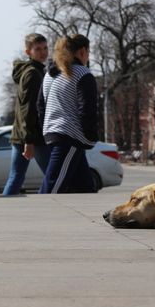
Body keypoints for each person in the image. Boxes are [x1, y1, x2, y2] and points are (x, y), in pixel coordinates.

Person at [37, 34, 99, 194]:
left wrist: (48, 128)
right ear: (83, 51)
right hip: (69, 138)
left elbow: (40, 106)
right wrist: (91, 136)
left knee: (85, 187)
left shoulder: (50, 75)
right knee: (52, 189)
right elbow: (87, 110)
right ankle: (37, 218)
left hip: (53, 133)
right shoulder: (82, 74)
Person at [2, 33, 50, 196]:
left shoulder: (33, 71)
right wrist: (29, 141)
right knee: (53, 175)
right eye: (38, 49)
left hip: (22, 135)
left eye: (45, 48)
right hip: (33, 136)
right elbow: (28, 109)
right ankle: (51, 206)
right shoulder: (33, 74)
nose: (43, 52)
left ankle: (4, 208)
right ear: (28, 52)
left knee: (16, 176)